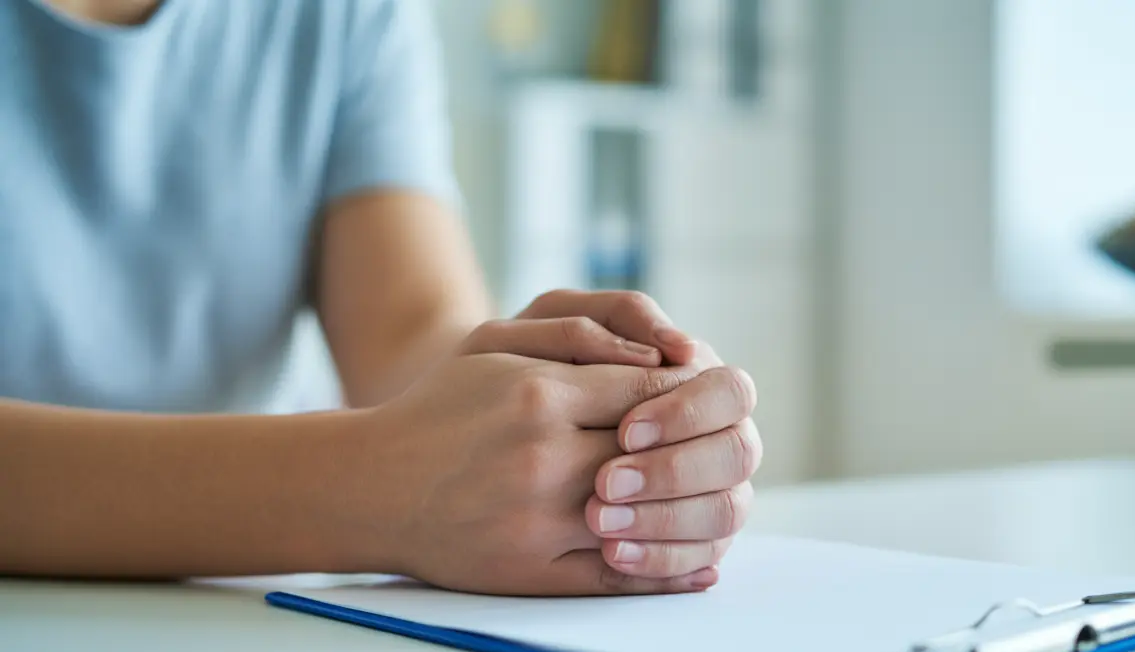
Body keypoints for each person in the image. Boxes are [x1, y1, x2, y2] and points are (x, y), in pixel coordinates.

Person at [0, 0, 762, 595]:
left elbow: (412, 331)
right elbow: (400, 466)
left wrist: (559, 410)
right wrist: (371, 487)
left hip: (250, 644)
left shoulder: (349, 12)